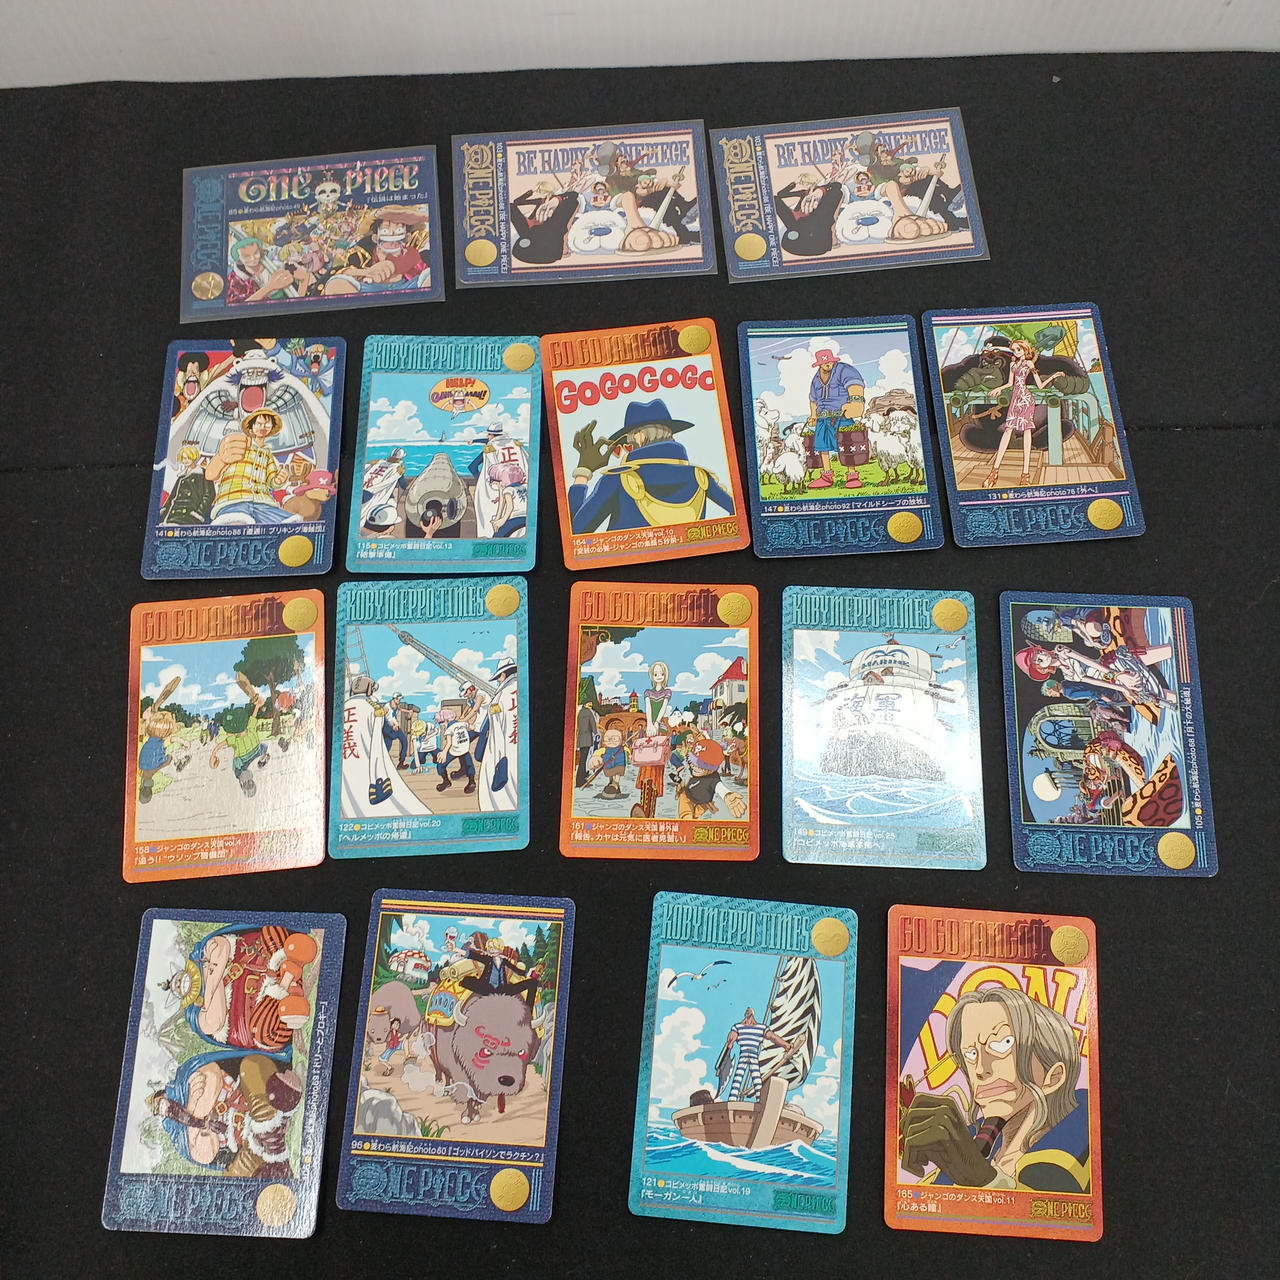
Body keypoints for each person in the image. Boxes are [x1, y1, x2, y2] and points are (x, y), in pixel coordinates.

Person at [900, 985, 1088, 1192]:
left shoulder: (1076, 1155)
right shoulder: (964, 1150)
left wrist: (984, 1179)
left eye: (1002, 1044)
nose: (981, 1069)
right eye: (971, 1054)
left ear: (1053, 1077)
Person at [568, 398, 735, 533]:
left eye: (629, 438)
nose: (628, 444)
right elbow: (739, 512)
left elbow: (575, 532)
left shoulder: (616, 479)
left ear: (639, 436)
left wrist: (583, 471)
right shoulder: (700, 476)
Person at [146, 1049, 302, 1178]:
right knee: (235, 1178)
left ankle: (272, 1137)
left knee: (251, 1066)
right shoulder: (178, 1135)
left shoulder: (185, 1081)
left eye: (161, 1102)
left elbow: (212, 1073)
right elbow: (204, 1155)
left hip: (257, 1102)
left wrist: (196, 1108)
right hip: (247, 1147)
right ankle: (274, 1141)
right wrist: (197, 1124)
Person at [982, 340, 1066, 488]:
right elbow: (1010, 383)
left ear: (1025, 350)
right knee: (1008, 430)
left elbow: (1040, 385)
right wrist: (999, 388)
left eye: (1018, 349)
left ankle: (1025, 475)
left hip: (1026, 400)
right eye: (1014, 350)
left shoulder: (1029, 364)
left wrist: (1053, 376)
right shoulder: (1012, 365)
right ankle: (994, 472)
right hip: (1015, 400)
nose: (1016, 352)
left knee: (1027, 432)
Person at [204, 409, 298, 526]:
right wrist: (220, 458)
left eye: (267, 424)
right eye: (258, 423)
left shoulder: (267, 454)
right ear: (251, 427)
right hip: (233, 501)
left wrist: (279, 480)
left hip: (263, 504)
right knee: (236, 525)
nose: (263, 427)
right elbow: (210, 474)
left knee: (289, 525)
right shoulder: (239, 445)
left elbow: (271, 481)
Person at [324, 205, 429, 295]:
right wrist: (368, 272)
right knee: (335, 284)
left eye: (398, 230)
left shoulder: (413, 248)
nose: (392, 235)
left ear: (407, 237)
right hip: (369, 290)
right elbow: (342, 269)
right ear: (375, 237)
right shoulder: (363, 250)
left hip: (407, 286)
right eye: (385, 230)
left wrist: (425, 217)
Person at [805, 348, 865, 490]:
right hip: (822, 419)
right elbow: (813, 400)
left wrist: (855, 404)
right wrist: (813, 415)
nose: (828, 365)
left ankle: (852, 475)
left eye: (830, 362)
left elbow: (855, 385)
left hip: (841, 417)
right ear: (819, 364)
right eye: (824, 363)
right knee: (822, 446)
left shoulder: (844, 370)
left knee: (847, 443)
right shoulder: (816, 379)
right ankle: (826, 476)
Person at [720, 1007, 802, 1101]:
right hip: (743, 1055)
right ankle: (732, 1100)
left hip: (753, 1056)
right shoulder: (738, 1027)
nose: (747, 1011)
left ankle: (760, 1100)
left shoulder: (761, 1028)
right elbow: (730, 1040)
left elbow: (773, 1037)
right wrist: (729, 1045)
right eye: (746, 1011)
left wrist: (786, 1045)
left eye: (749, 1011)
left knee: (757, 1080)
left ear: (752, 1014)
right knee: (738, 1077)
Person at [225, 235, 311, 305]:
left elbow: (304, 275)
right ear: (239, 259)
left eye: (255, 253)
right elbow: (238, 307)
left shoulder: (274, 267)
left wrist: (298, 301)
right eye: (246, 256)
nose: (253, 258)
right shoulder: (235, 280)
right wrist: (270, 286)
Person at [574, 698, 599, 788]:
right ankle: (580, 780)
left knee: (582, 758)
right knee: (583, 760)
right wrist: (596, 733)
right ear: (585, 704)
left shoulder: (580, 713)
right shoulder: (588, 712)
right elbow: (592, 724)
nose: (591, 705)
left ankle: (583, 774)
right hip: (587, 738)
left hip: (581, 739)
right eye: (589, 703)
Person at [381, 693, 409, 769]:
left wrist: (408, 711)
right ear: (394, 699)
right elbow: (383, 717)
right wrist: (391, 724)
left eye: (400, 700)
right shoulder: (387, 706)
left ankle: (401, 763)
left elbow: (399, 709)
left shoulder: (396, 705)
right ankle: (382, 763)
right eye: (398, 699)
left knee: (404, 741)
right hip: (388, 728)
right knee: (387, 746)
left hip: (395, 727)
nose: (399, 701)